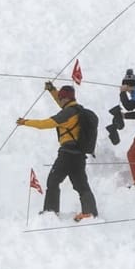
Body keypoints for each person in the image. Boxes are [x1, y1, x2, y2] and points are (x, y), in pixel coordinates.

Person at [17, 83, 98, 222]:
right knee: (81, 184)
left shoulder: (67, 113)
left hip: (67, 154)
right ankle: (89, 212)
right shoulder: (77, 110)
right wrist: (52, 90)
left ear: (65, 99)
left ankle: (51, 212)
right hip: (79, 155)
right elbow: (61, 101)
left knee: (53, 181)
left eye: (60, 98)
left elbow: (45, 124)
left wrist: (25, 122)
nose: (59, 100)